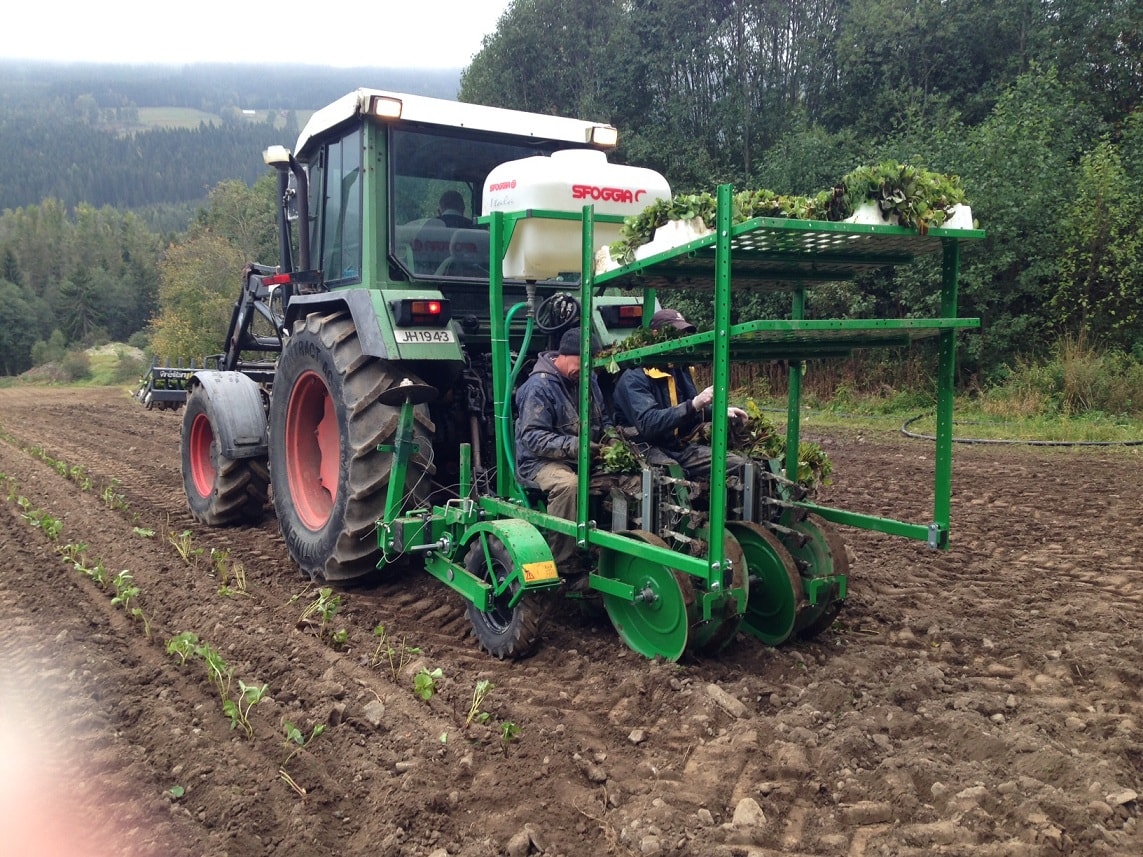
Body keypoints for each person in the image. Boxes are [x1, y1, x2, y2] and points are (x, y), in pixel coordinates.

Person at [515, 327, 612, 572]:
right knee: (569, 485)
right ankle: (563, 562)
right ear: (565, 355)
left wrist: (611, 439)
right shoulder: (538, 387)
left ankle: (606, 548)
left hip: (580, 458)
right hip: (540, 462)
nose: (587, 370)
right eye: (583, 363)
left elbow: (604, 419)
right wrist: (576, 446)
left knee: (624, 478)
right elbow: (532, 437)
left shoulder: (588, 380)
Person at [613, 308, 748, 484]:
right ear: (656, 334)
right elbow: (649, 423)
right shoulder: (634, 377)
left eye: (683, 335)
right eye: (676, 335)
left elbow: (693, 411)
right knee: (673, 475)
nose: (681, 340)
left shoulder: (679, 371)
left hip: (677, 447)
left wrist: (720, 412)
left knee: (738, 465)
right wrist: (694, 404)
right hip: (644, 449)